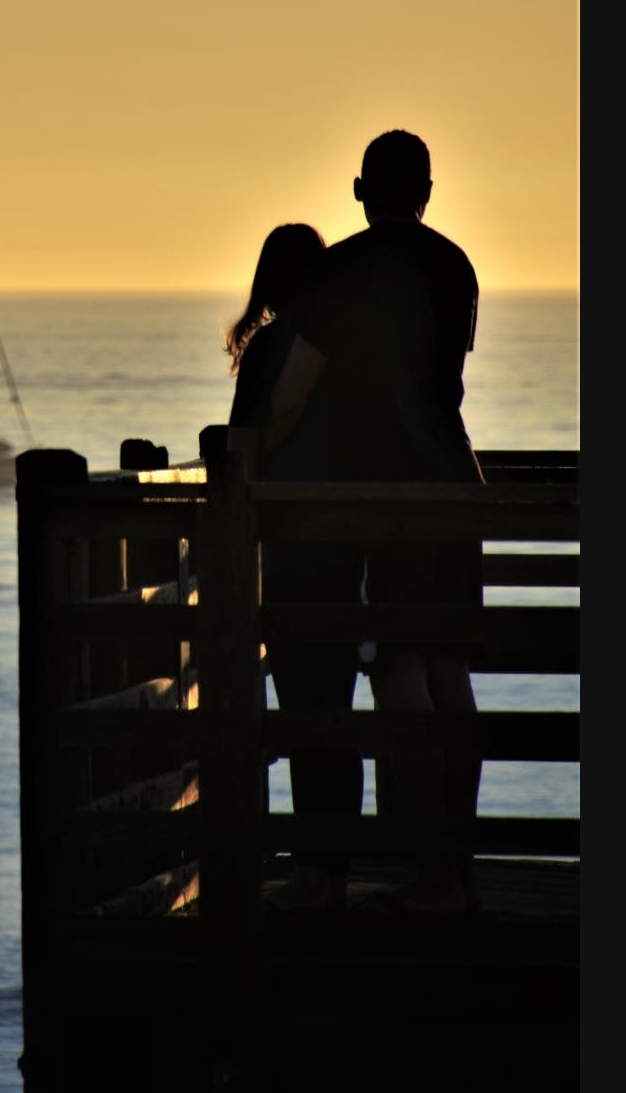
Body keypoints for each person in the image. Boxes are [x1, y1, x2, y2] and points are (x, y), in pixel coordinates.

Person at [263, 130, 485, 915]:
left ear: (360, 191)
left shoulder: (341, 271)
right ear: (427, 190)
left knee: (396, 674)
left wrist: (258, 470)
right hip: (459, 482)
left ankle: (432, 877)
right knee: (449, 672)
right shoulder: (456, 266)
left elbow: (291, 396)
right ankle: (458, 870)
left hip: (390, 499)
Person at [225, 223, 362, 914]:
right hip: (349, 554)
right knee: (336, 715)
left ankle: (314, 873)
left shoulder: (270, 352)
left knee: (304, 714)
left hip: (288, 555)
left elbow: (242, 456)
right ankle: (333, 869)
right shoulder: (349, 354)